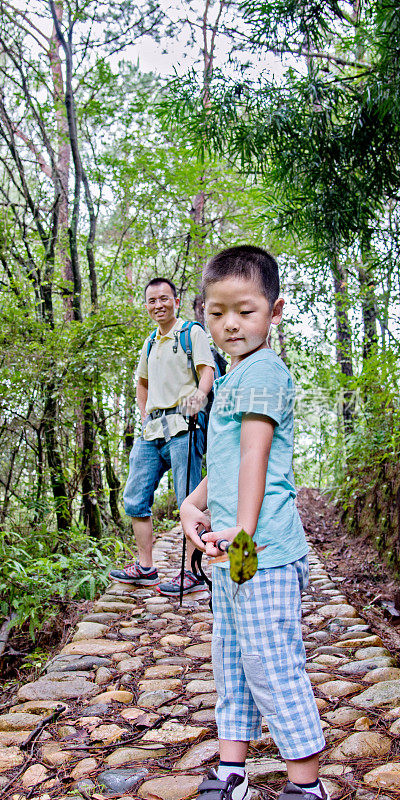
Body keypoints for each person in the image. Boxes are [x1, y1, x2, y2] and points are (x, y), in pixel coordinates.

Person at [180, 245, 326, 800]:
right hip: (235, 550)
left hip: (260, 550)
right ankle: (232, 771)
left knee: (270, 659)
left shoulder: (265, 371)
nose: (230, 324)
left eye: (245, 311)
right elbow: (223, 458)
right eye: (216, 314)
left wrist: (240, 529)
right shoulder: (234, 374)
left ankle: (305, 785)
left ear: (275, 310)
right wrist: (194, 505)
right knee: (233, 657)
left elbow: (253, 455)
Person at [109, 278, 215, 596]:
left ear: (175, 301)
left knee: (188, 502)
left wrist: (197, 401)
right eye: (152, 300)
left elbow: (207, 370)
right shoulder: (149, 343)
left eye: (164, 298)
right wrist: (144, 414)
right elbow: (141, 383)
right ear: (147, 306)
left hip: (184, 427)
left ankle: (193, 572)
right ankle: (145, 567)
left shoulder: (189, 332)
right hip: (151, 431)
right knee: (135, 498)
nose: (158, 305)